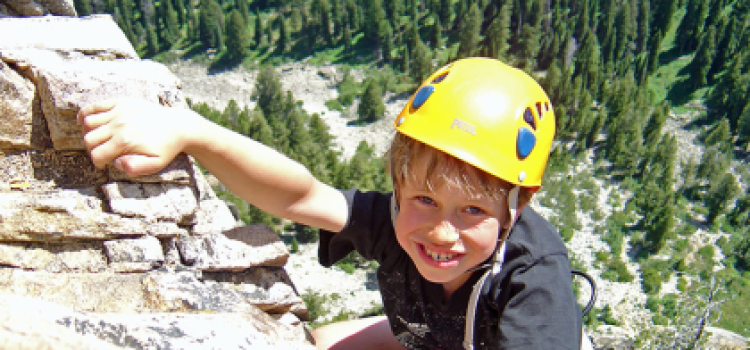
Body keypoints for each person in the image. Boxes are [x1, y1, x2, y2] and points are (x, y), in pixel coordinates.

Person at [78, 57, 583, 349]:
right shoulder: (394, 222)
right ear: (399, 184)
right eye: (425, 198)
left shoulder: (534, 287)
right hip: (434, 333)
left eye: (472, 211)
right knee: (316, 343)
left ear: (517, 206)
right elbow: (301, 195)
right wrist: (192, 133)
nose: (441, 232)